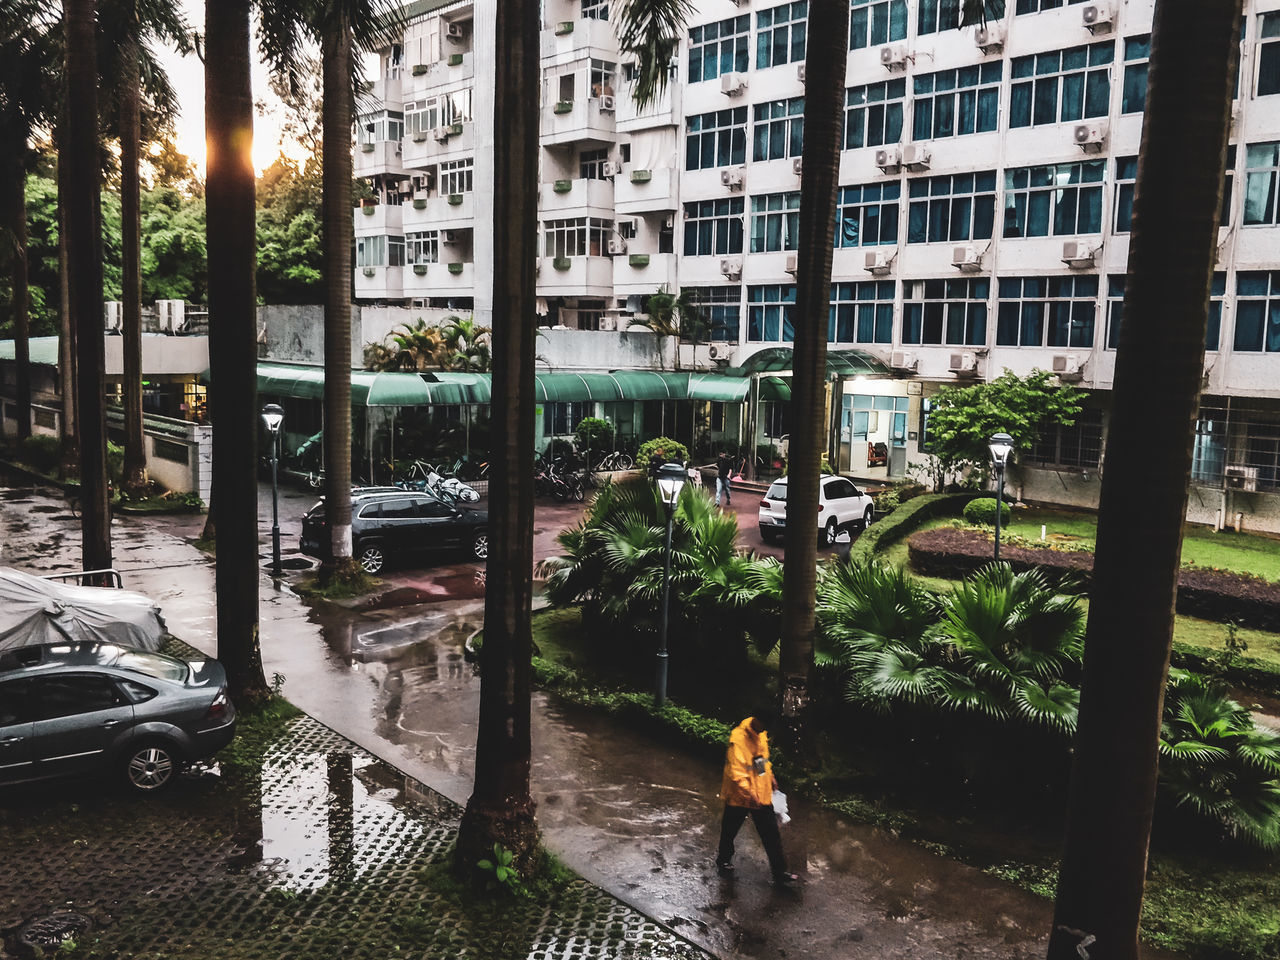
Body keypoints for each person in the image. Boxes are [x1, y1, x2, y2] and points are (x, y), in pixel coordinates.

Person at [715, 711, 798, 884]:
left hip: (760, 795)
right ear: (756, 720)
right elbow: (736, 772)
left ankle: (780, 872)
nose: (764, 731)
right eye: (763, 726)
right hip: (739, 796)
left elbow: (759, 760)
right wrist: (749, 794)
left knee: (771, 834)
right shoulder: (738, 738)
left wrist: (770, 776)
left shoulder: (760, 734)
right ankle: (723, 859)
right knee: (729, 829)